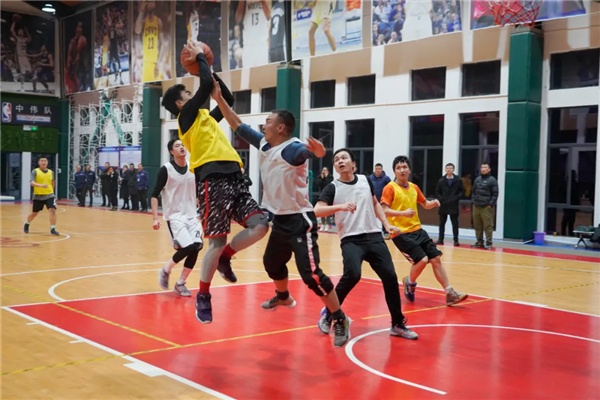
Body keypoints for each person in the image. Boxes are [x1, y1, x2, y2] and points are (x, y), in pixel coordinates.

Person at [212, 81, 352, 347]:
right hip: (279, 219)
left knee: (311, 276)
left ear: (281, 128)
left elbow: (307, 153)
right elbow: (237, 124)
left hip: (299, 221)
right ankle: (284, 297)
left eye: (268, 121)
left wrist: (318, 151)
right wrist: (219, 100)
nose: (263, 125)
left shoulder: (291, 149)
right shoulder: (265, 144)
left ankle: (339, 317)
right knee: (272, 264)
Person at [161, 41, 269, 324]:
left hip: (235, 176)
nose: (193, 94)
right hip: (212, 179)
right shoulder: (186, 118)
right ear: (180, 104)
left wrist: (208, 69)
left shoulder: (205, 117)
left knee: (261, 225)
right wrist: (201, 60)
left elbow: (227, 98)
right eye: (188, 93)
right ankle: (204, 295)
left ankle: (226, 257)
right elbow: (207, 83)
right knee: (216, 242)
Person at [314, 148, 418, 340]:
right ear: (335, 166)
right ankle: (329, 313)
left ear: (353, 164)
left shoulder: (364, 180)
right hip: (351, 239)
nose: (340, 161)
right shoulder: (332, 188)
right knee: (353, 275)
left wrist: (386, 225)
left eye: (344, 158)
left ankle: (397, 324)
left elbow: (375, 204)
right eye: (336, 159)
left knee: (390, 277)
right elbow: (317, 210)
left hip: (374, 236)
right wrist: (340, 207)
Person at [381, 155, 468, 306]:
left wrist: (432, 203)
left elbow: (424, 203)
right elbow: (384, 211)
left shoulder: (414, 187)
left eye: (404, 167)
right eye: (398, 168)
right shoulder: (390, 188)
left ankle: (449, 293)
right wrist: (403, 213)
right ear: (394, 171)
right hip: (400, 233)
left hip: (418, 230)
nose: (402, 170)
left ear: (409, 170)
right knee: (422, 260)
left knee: (435, 259)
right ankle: (410, 283)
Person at [153, 139, 203, 298]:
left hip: (192, 215)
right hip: (175, 216)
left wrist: (203, 210)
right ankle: (165, 270)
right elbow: (154, 195)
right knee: (189, 247)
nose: (181, 147)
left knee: (197, 246)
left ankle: (180, 283)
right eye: (177, 146)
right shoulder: (166, 170)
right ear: (171, 152)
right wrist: (155, 218)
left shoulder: (193, 167)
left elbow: (197, 192)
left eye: (182, 145)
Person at [24, 157, 59, 236]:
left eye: (45, 161)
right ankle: (27, 223)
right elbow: (32, 183)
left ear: (47, 163)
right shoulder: (35, 171)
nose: (44, 162)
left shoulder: (51, 172)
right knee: (34, 213)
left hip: (49, 194)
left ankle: (53, 228)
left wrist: (51, 191)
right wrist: (41, 185)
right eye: (42, 161)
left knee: (52, 210)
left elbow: (52, 182)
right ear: (39, 163)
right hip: (38, 196)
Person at [135, 0, 166, 82]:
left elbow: (162, 44)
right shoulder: (143, 22)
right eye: (148, 2)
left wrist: (158, 62)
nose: (150, 4)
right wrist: (141, 12)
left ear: (155, 4)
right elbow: (137, 30)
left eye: (152, 2)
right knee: (147, 87)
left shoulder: (158, 21)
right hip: (146, 62)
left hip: (156, 61)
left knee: (158, 86)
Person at [435, 163, 465, 246]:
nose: (449, 170)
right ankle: (440, 239)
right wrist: (441, 199)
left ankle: (456, 240)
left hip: (453, 204)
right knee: (442, 223)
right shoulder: (441, 180)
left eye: (451, 168)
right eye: (447, 168)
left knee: (455, 223)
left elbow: (463, 191)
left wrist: (456, 198)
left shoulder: (458, 180)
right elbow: (437, 192)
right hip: (443, 204)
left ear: (453, 170)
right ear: (445, 169)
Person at [471, 163, 498, 249]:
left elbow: (495, 194)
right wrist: (473, 201)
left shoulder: (492, 180)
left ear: (489, 169)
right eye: (482, 167)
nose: (483, 169)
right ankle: (479, 242)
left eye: (485, 167)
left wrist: (490, 204)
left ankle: (489, 243)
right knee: (477, 225)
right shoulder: (477, 179)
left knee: (488, 225)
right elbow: (473, 191)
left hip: (486, 206)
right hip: (476, 205)